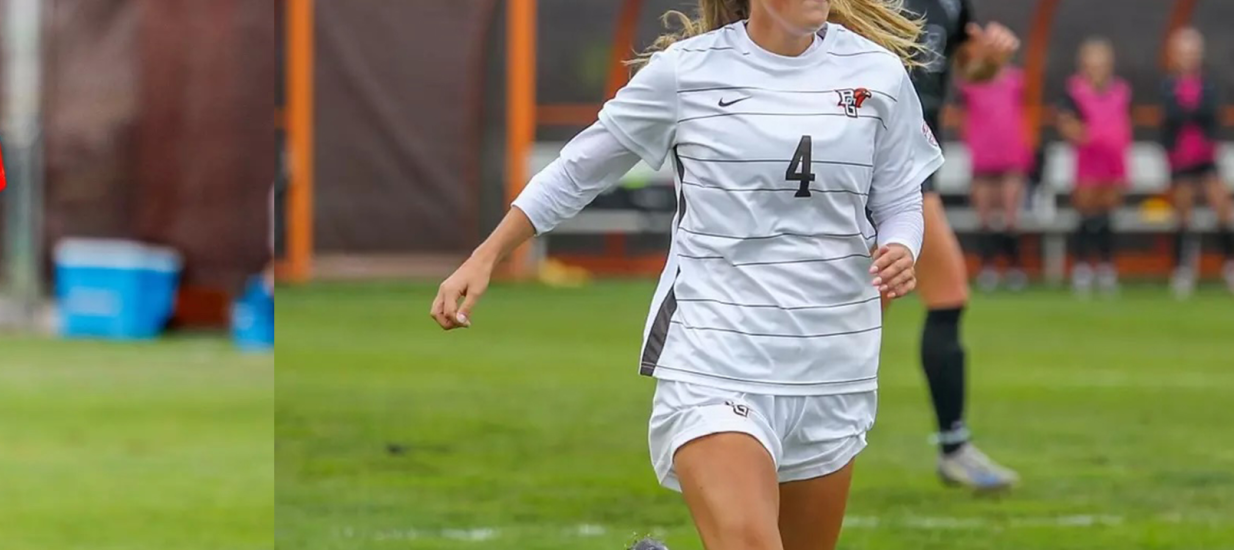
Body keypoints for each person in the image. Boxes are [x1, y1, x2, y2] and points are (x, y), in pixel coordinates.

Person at [431, 1, 936, 548]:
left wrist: (900, 245)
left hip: (834, 365)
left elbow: (901, 199)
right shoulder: (686, 72)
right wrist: (487, 254)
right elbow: (581, 169)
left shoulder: (877, 74)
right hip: (716, 357)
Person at [898, 0, 1021, 492]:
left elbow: (965, 65)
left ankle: (955, 448)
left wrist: (988, 60)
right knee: (852, 317)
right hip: (856, 171)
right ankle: (793, 444)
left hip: (915, 173)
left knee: (948, 297)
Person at [1160, 27, 1234, 297]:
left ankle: (1229, 265)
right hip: (1180, 159)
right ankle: (1183, 269)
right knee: (1183, 212)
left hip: (1206, 157)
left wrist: (1190, 114)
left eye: (1192, 52)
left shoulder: (1210, 84)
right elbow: (1173, 116)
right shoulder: (1167, 85)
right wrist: (1190, 114)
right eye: (1183, 52)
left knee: (1223, 207)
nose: (1188, 57)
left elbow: (1208, 113)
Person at [1058, 37, 1131, 298]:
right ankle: (1082, 267)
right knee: (1086, 216)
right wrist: (1090, 137)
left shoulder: (1121, 90)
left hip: (1113, 161)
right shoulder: (1074, 91)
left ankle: (1106, 266)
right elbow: (1066, 124)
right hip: (1088, 161)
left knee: (1107, 216)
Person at [957, 64, 1029, 291]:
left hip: (1010, 154)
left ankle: (1014, 267)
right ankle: (987, 267)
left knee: (1010, 215)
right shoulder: (970, 83)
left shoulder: (1016, 80)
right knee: (984, 216)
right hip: (983, 155)